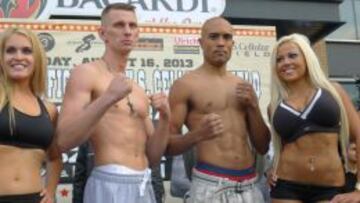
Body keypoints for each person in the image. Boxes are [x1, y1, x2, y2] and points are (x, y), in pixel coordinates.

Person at [56, 3, 170, 203]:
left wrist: (166, 117)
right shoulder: (86, 73)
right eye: (119, 25)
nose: (127, 31)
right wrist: (108, 98)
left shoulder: (137, 90)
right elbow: (64, 140)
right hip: (109, 181)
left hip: (143, 183)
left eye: (132, 26)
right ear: (102, 33)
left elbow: (152, 157)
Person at [166, 17, 271, 203]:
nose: (221, 43)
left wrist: (254, 106)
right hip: (211, 184)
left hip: (250, 185)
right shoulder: (185, 85)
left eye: (226, 37)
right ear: (201, 42)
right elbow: (168, 145)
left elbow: (262, 146)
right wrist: (197, 134)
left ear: (233, 43)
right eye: (213, 37)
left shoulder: (242, 86)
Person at [268, 33, 360, 203]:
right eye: (279, 59)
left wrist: (359, 189)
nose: (286, 62)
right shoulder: (275, 105)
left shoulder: (334, 91)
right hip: (285, 187)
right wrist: (270, 169)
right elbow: (279, 148)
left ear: (307, 57)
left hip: (330, 188)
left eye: (292, 55)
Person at [0, 27, 62, 203]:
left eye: (27, 51)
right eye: (10, 50)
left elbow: (55, 158)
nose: (18, 57)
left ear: (37, 59)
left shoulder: (49, 109)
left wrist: (50, 191)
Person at [72, 142, 165, 203]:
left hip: (136, 195)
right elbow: (80, 178)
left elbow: (153, 173)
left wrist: (157, 198)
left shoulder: (139, 130)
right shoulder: (90, 134)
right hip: (99, 195)